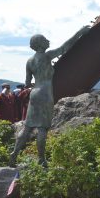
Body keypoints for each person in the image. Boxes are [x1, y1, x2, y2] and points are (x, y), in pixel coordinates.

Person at [10, 26, 90, 167]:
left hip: (34, 93)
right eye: (45, 39)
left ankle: (14, 154)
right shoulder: (47, 56)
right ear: (40, 44)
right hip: (45, 93)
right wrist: (80, 32)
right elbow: (65, 47)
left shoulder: (29, 61)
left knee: (28, 126)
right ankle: (41, 159)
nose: (48, 41)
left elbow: (27, 83)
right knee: (42, 128)